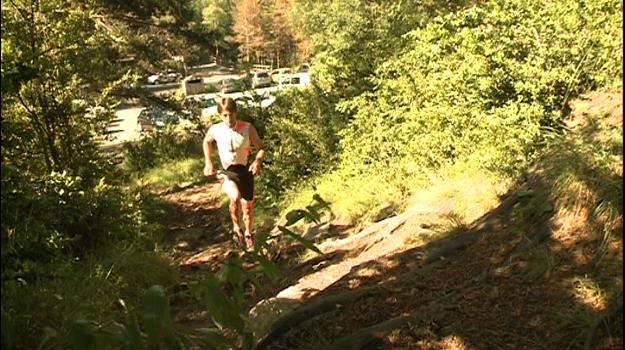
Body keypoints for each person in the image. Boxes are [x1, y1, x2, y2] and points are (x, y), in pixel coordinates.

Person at [203, 97, 265, 249]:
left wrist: (257, 161)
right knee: (235, 196)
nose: (229, 118)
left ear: (236, 113)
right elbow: (206, 141)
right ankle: (237, 228)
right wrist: (208, 162)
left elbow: (261, 148)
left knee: (247, 207)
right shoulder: (216, 129)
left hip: (244, 170)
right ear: (220, 115)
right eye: (225, 115)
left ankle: (249, 234)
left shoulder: (247, 128)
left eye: (231, 114)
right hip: (226, 171)